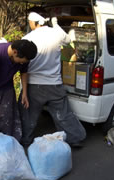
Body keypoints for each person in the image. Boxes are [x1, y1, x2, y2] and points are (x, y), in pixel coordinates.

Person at [19, 11, 87, 147]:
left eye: (30, 22)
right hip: (54, 84)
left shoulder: (27, 38)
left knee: (28, 116)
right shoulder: (56, 33)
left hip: (34, 85)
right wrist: (56, 25)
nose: (29, 24)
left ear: (34, 22)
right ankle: (75, 138)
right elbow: (68, 41)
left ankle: (25, 140)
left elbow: (22, 64)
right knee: (63, 115)